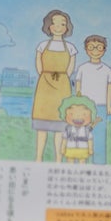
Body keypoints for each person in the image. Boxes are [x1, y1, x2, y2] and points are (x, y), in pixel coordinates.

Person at [32, 9, 77, 162]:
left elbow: (71, 67)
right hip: (44, 85)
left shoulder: (70, 47)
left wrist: (62, 77)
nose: (59, 27)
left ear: (67, 27)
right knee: (41, 126)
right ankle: (38, 157)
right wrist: (45, 76)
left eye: (63, 24)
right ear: (48, 26)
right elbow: (38, 63)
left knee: (60, 125)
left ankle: (58, 158)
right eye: (55, 23)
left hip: (62, 86)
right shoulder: (42, 45)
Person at [74, 35, 111, 164]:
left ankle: (99, 163)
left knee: (99, 135)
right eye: (91, 47)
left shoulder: (108, 70)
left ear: (104, 49)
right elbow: (78, 87)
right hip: (84, 106)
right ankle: (80, 161)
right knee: (81, 134)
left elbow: (109, 89)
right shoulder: (82, 68)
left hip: (101, 106)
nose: (95, 51)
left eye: (99, 48)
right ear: (86, 49)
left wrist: (109, 106)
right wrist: (78, 103)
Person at [58, 95, 97, 164]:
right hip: (70, 149)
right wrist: (62, 148)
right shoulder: (68, 129)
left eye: (84, 114)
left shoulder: (87, 130)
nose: (78, 116)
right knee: (70, 162)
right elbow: (64, 139)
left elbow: (90, 140)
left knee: (82, 163)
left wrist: (90, 149)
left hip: (83, 149)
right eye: (72, 114)